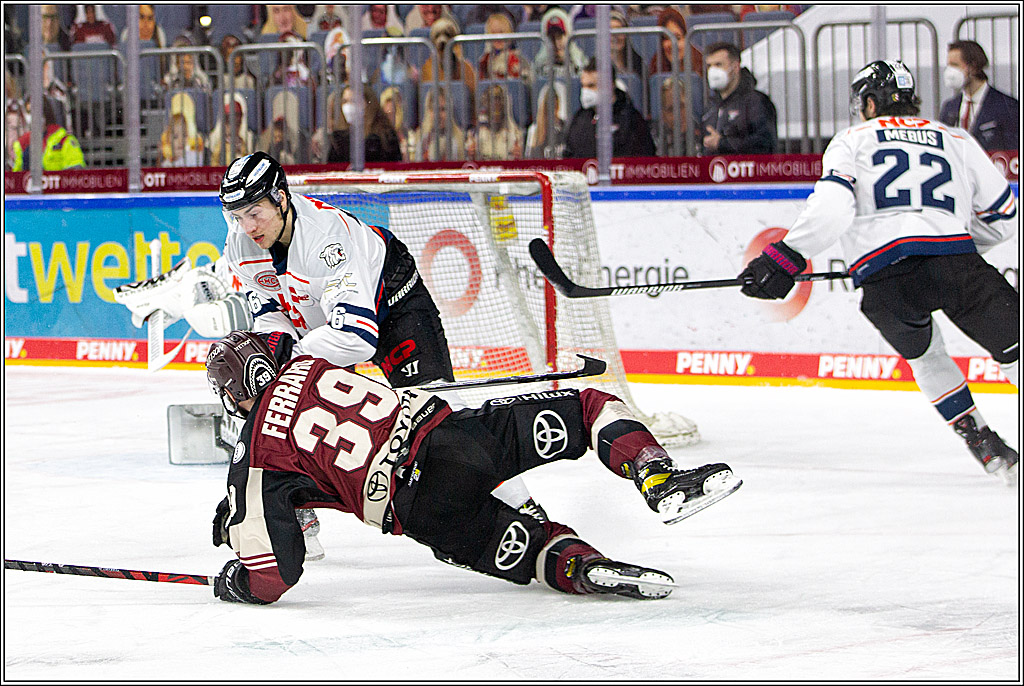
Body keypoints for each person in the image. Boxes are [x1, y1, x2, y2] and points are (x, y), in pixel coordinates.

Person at [206, 329, 743, 604]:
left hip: (419, 511)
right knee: (588, 409)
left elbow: (276, 575)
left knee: (530, 548)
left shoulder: (254, 458)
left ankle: (579, 568)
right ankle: (657, 476)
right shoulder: (309, 362)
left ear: (232, 394)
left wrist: (237, 578)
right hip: (454, 441)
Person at [737, 60, 1019, 485]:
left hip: (886, 281)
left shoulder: (851, 140)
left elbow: (834, 208)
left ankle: (980, 439)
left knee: (927, 356)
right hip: (957, 265)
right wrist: (951, 242)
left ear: (869, 103)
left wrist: (785, 258)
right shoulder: (954, 137)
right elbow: (1003, 216)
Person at [564, 59, 655, 159]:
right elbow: (569, 155)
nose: (585, 91)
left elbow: (642, 158)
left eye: (591, 86)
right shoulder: (579, 118)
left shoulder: (631, 119)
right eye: (583, 86)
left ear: (610, 85)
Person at [938, 40, 1019, 153]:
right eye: (948, 65)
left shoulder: (1007, 107)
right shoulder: (949, 107)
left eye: (955, 65)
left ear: (973, 67)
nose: (950, 71)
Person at [701, 42, 778, 155]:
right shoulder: (711, 106)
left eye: (718, 64)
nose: (713, 71)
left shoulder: (756, 102)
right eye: (709, 66)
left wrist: (722, 144)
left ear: (735, 67)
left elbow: (765, 143)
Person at [420, 16, 477, 118]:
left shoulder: (466, 68)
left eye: (447, 35)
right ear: (432, 41)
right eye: (437, 36)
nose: (442, 40)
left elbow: (473, 102)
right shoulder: (427, 68)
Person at [11, 96, 85, 172]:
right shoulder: (21, 143)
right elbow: (17, 175)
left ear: (45, 114)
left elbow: (76, 171)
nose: (32, 116)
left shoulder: (63, 140)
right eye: (29, 112)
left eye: (36, 112)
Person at [468, 82, 524, 161]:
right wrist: (471, 156)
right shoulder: (474, 134)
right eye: (491, 101)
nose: (495, 105)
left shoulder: (516, 135)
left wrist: (518, 157)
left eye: (498, 100)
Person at [531, 7, 588, 82]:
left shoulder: (580, 63)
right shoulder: (538, 67)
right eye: (551, 37)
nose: (556, 43)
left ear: (568, 35)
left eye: (559, 36)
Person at [411, 86, 467, 161]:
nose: (438, 115)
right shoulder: (420, 137)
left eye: (443, 109)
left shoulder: (459, 138)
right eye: (434, 109)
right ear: (428, 111)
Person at [648, 7, 703, 76]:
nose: (672, 44)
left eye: (678, 38)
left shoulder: (700, 62)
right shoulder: (656, 65)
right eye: (666, 38)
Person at [477, 10, 528, 84]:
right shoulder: (484, 60)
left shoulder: (516, 58)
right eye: (493, 33)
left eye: (501, 32)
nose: (498, 37)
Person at [656, 76, 699, 156]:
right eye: (671, 109)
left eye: (681, 106)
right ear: (663, 115)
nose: (677, 115)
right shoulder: (656, 138)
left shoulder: (702, 133)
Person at [160, 93, 206, 167]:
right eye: (175, 137)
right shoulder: (166, 164)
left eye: (184, 135)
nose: (180, 140)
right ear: (168, 139)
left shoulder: (195, 157)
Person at [208, 94, 256, 165]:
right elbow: (214, 162)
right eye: (229, 124)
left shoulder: (244, 142)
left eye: (237, 124)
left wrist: (240, 150)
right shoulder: (220, 143)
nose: (233, 128)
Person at [525, 81, 567, 159]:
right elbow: (529, 159)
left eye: (555, 106)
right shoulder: (534, 130)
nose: (553, 111)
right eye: (550, 107)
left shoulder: (566, 127)